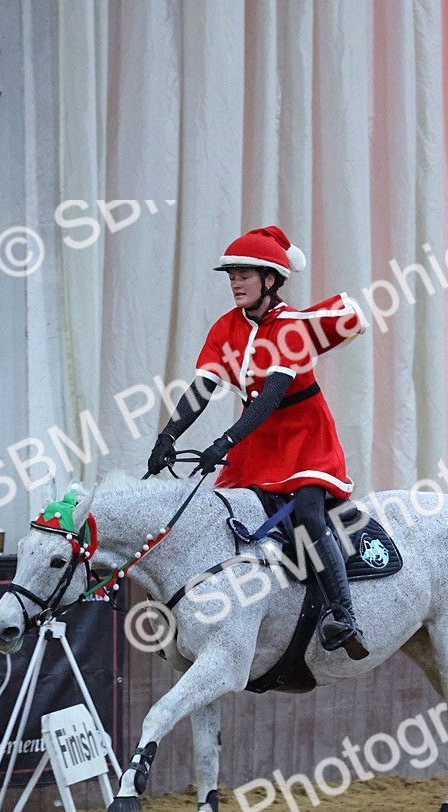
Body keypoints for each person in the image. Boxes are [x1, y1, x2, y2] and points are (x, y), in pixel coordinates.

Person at [146, 224, 369, 658]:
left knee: (306, 513)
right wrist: (167, 436)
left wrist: (224, 442)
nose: (234, 283)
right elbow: (201, 390)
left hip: (304, 436)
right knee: (221, 517)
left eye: (243, 274)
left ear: (270, 280)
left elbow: (270, 398)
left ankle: (344, 613)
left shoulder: (291, 327)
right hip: (256, 439)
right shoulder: (225, 327)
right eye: (230, 275)